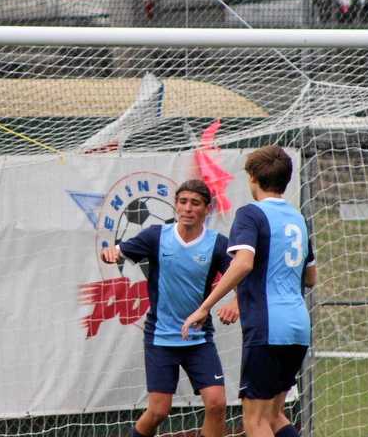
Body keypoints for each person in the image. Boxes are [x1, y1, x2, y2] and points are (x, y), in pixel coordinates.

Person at [182, 146, 314, 437]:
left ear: (252, 178)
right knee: (276, 415)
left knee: (255, 421)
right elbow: (312, 277)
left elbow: (243, 263)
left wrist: (204, 307)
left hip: (268, 327)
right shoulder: (298, 220)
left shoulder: (250, 214)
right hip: (298, 326)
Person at [100, 179, 239, 437]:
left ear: (206, 209)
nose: (188, 208)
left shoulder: (217, 244)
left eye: (195, 203)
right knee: (158, 412)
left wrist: (235, 303)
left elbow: (242, 276)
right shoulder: (156, 236)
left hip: (198, 338)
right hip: (161, 338)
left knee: (217, 404)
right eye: (183, 202)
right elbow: (116, 250)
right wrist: (110, 253)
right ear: (175, 205)